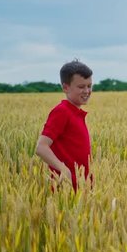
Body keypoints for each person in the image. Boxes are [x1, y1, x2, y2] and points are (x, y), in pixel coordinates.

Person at [35, 60, 93, 191]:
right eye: (81, 87)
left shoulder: (76, 113)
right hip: (65, 189)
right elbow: (41, 147)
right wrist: (63, 169)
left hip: (81, 187)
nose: (87, 91)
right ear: (66, 87)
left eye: (89, 86)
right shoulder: (62, 111)